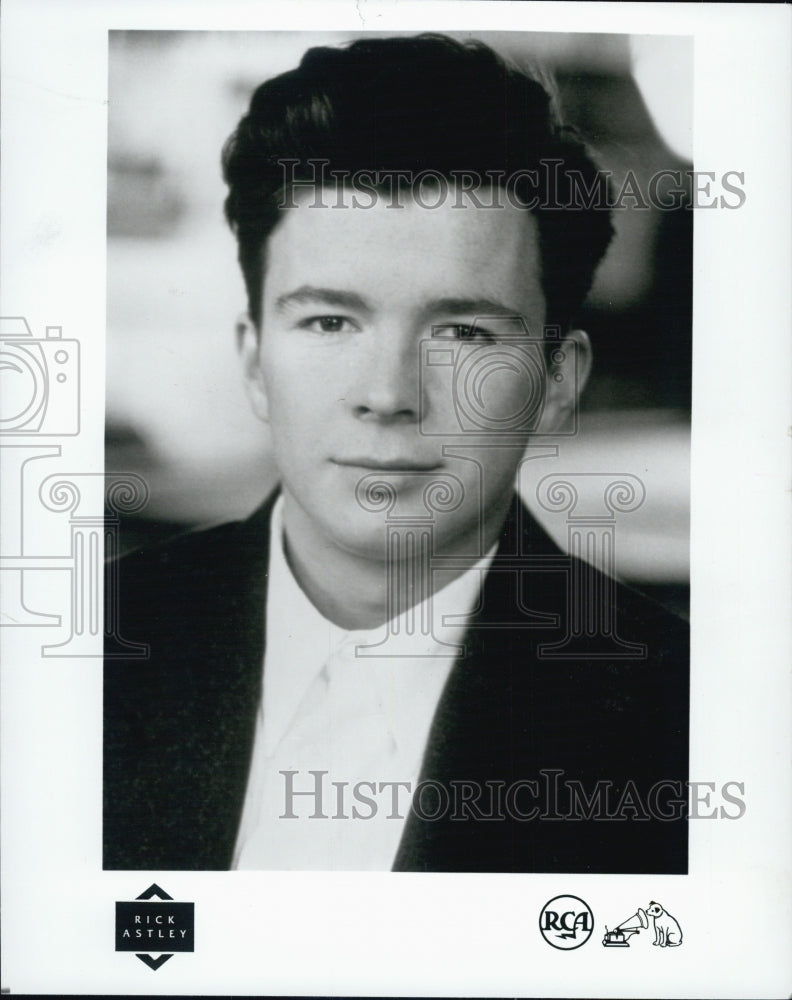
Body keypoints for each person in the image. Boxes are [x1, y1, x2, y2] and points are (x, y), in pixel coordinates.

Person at [104, 33, 688, 872]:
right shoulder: (81, 654)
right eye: (330, 322)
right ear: (254, 360)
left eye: (461, 331)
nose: (388, 394)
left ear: (557, 381)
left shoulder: (690, 718)